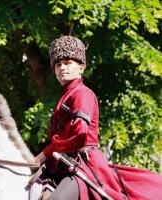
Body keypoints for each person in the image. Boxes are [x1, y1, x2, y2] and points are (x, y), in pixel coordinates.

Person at [35, 35, 162, 200]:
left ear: (81, 68)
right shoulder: (65, 96)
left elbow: (78, 134)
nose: (62, 68)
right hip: (62, 165)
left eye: (68, 63)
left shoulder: (83, 93)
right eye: (58, 64)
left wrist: (45, 154)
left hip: (82, 165)